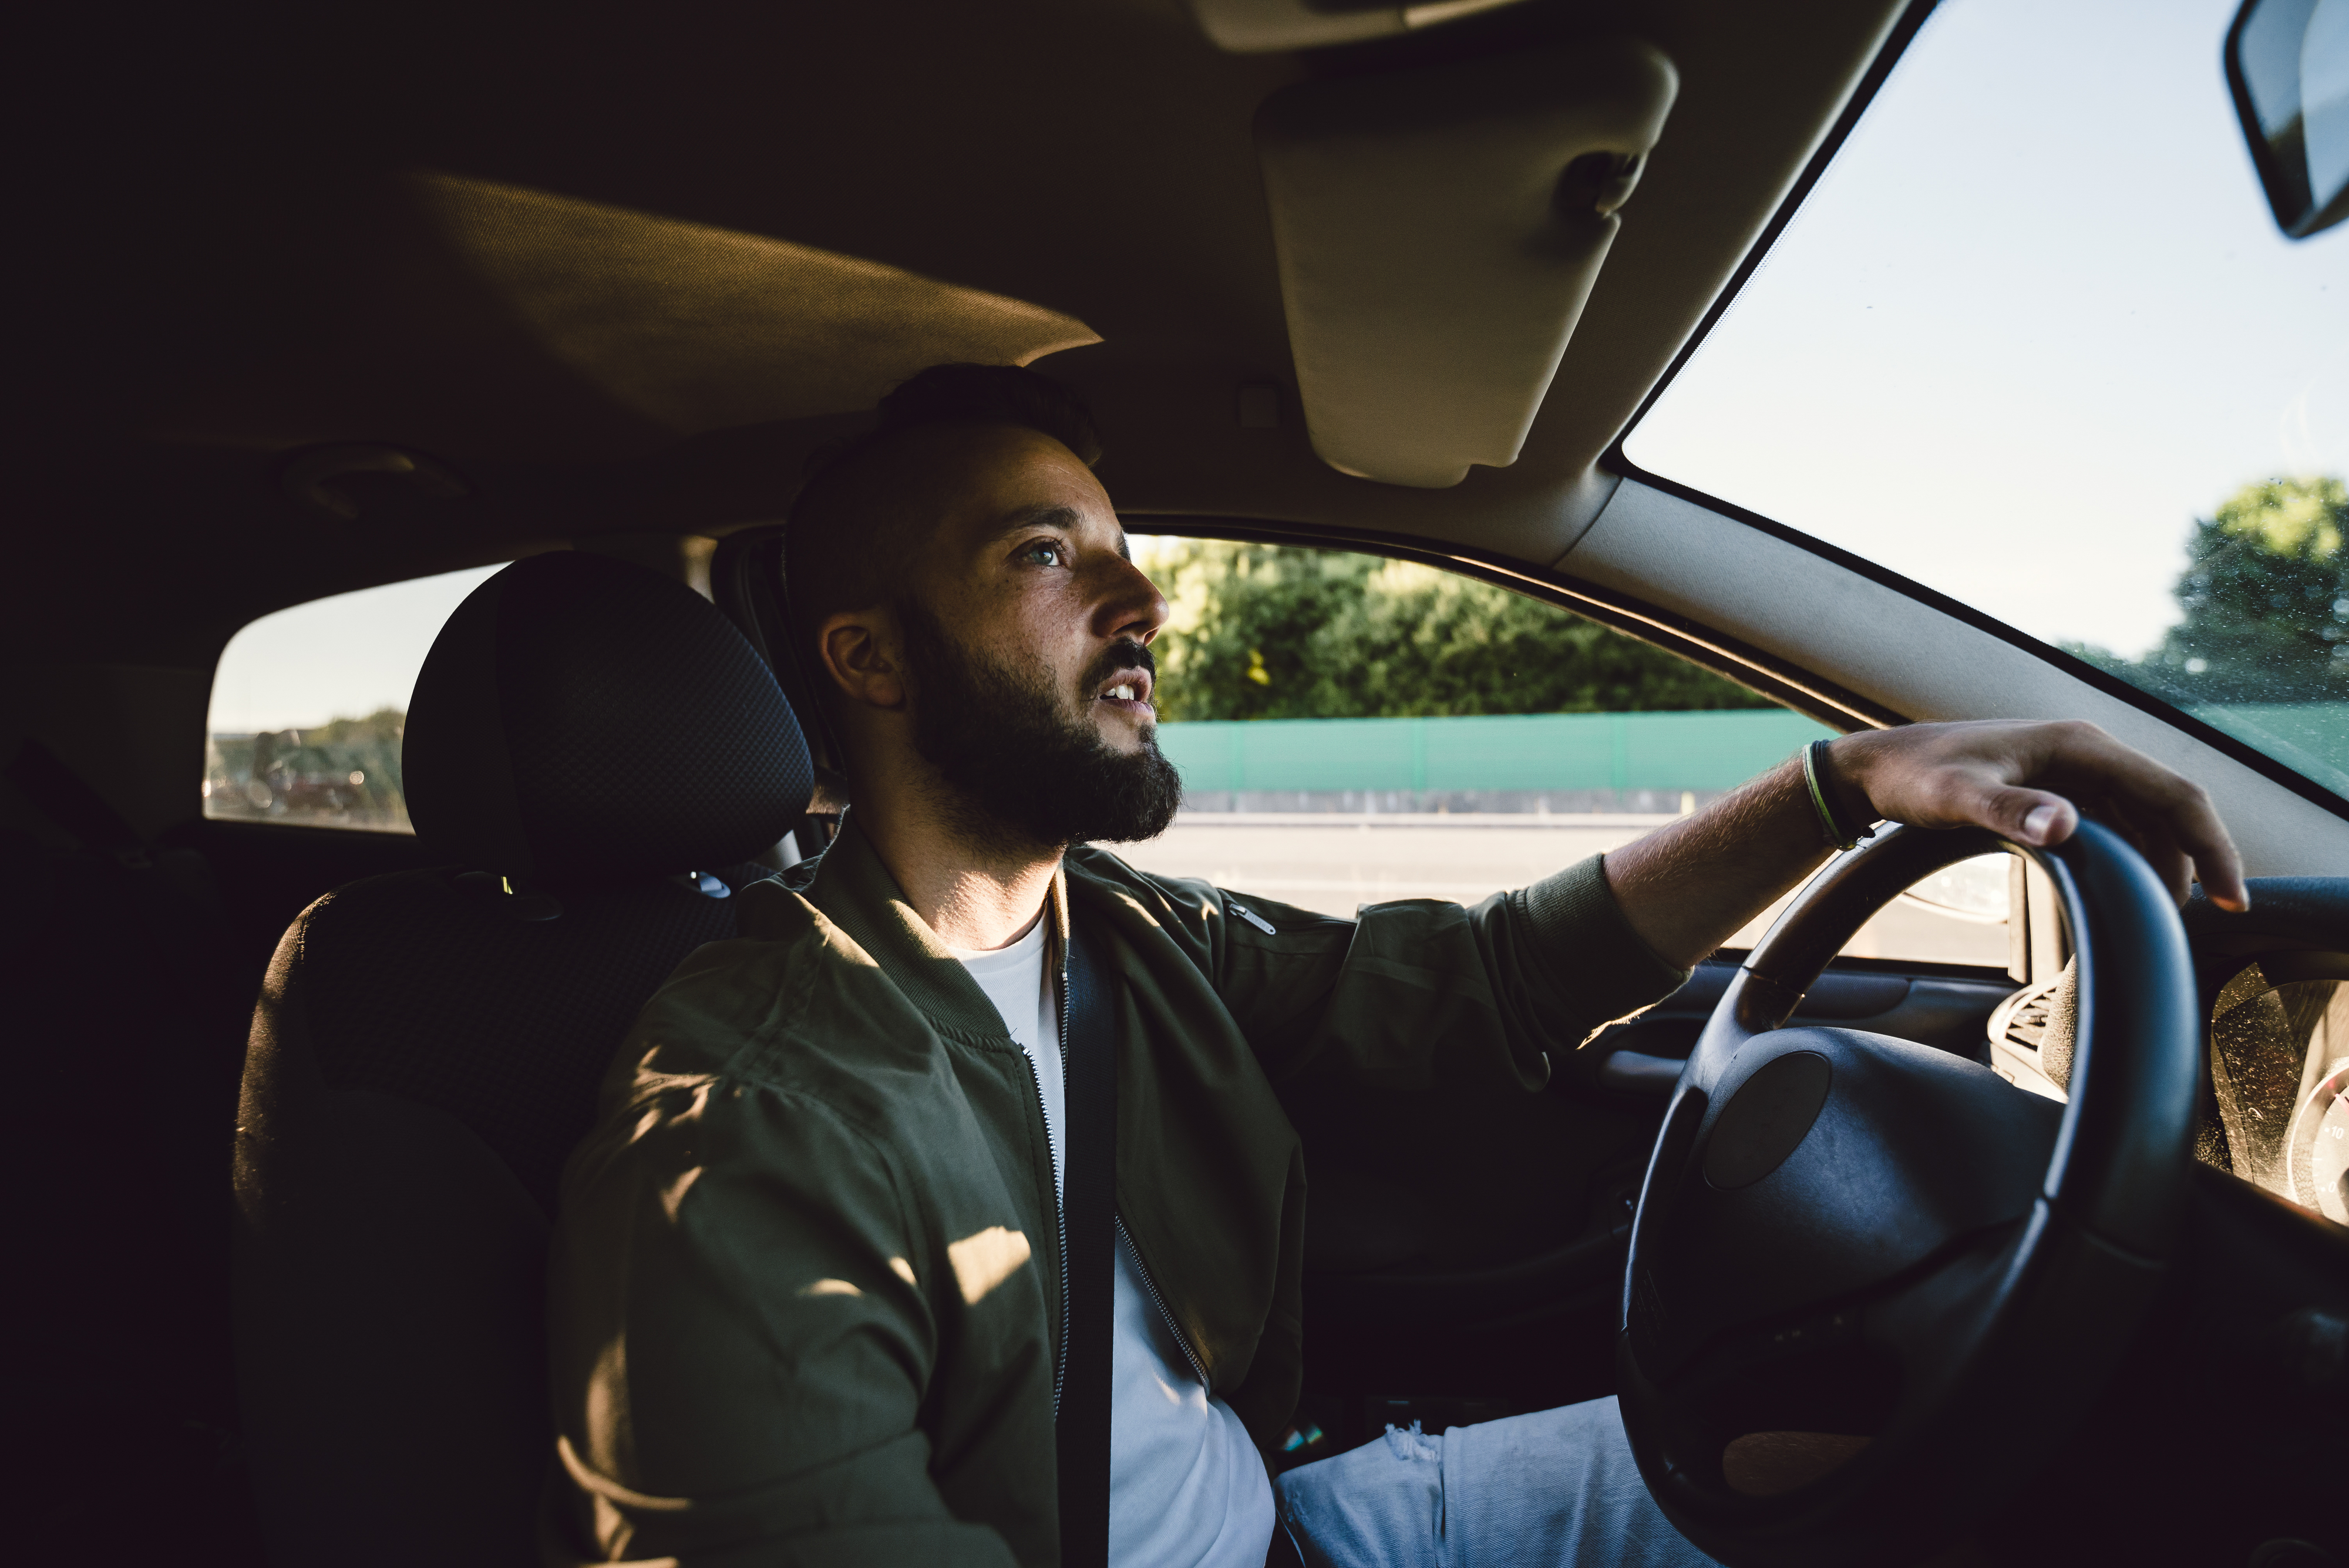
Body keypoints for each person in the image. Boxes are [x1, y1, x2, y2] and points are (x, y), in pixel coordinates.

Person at [543, 365, 2244, 1568]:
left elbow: (1491, 986)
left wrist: (1846, 785)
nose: (1143, 599)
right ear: (870, 659)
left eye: (1123, 552)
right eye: (1046, 557)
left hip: (1290, 1526)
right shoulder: (753, 1127)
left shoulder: (1127, 936)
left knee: (1873, 1482)